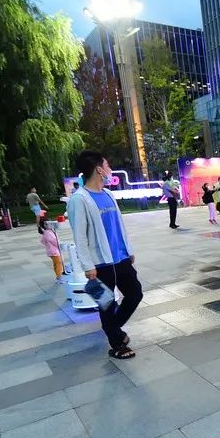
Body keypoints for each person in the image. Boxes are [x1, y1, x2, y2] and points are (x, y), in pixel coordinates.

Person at [69, 151, 142, 360]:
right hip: (100, 263)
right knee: (107, 303)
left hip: (121, 258)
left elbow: (119, 226)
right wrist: (87, 265)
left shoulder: (108, 194)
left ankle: (113, 329)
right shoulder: (79, 199)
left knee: (135, 294)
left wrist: (128, 250)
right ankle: (117, 344)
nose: (110, 169)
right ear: (99, 169)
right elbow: (79, 236)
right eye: (107, 165)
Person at [38, 216, 64, 283]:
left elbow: (43, 241)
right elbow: (54, 241)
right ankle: (59, 277)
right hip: (54, 251)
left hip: (51, 251)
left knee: (56, 263)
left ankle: (58, 276)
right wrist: (60, 245)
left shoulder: (46, 232)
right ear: (46, 225)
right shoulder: (48, 232)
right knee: (58, 263)